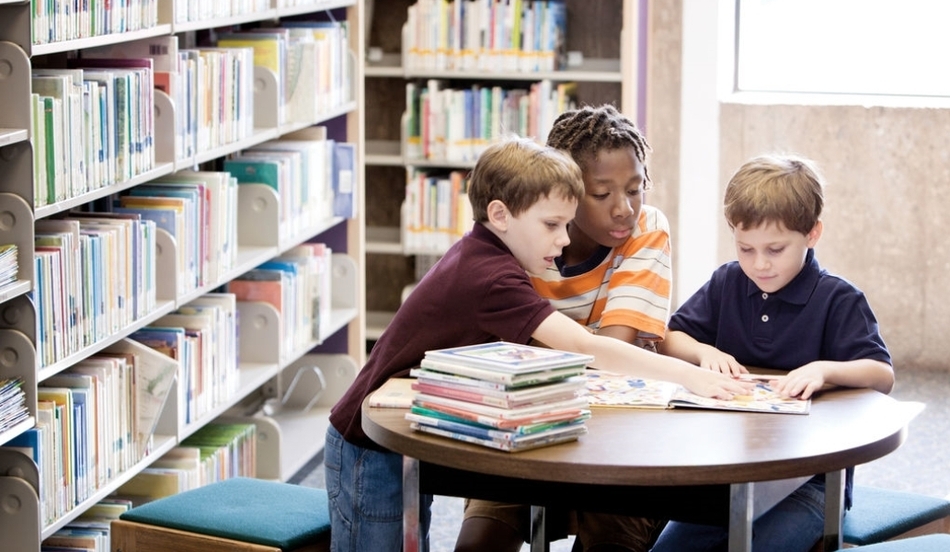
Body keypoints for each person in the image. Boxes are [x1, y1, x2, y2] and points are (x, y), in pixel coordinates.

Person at [325, 136, 752, 552]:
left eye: (566, 224)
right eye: (552, 225)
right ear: (500, 214)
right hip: (368, 441)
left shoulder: (483, 254)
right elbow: (586, 346)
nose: (564, 239)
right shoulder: (493, 279)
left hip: (396, 431)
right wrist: (689, 376)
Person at [649, 153, 895, 552]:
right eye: (745, 248)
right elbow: (670, 337)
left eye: (775, 249)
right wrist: (703, 352)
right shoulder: (728, 281)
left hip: (812, 484)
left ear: (812, 234)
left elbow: (882, 374)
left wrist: (825, 370)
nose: (759, 264)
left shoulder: (838, 298)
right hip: (726, 473)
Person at [456, 105, 671, 552]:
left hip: (618, 433)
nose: (624, 209)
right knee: (478, 542)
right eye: (601, 194)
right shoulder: (520, 234)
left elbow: (610, 354)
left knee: (612, 539)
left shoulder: (647, 229)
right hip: (527, 421)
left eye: (635, 189)